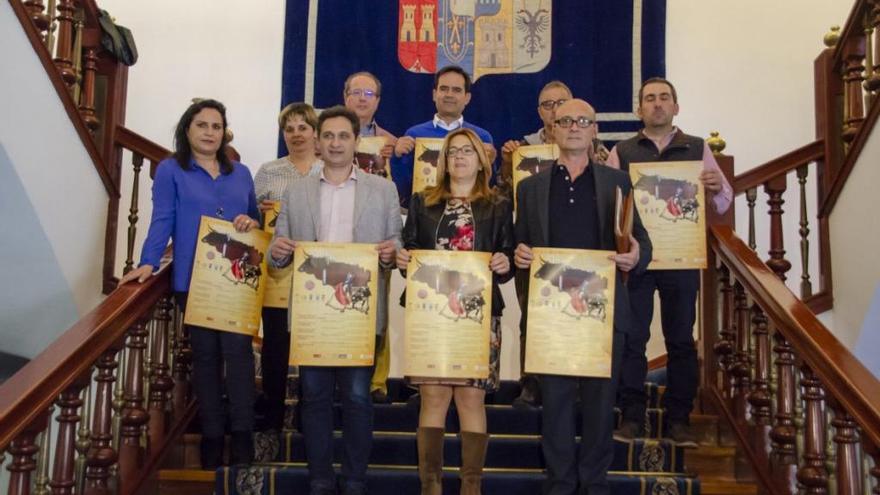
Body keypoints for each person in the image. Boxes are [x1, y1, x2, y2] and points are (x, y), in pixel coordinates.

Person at [514, 99, 651, 495]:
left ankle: (594, 485)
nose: (573, 127)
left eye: (582, 121)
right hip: (552, 313)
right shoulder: (530, 187)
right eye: (565, 121)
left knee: (598, 406)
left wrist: (636, 253)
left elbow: (641, 239)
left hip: (603, 312)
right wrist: (519, 254)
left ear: (594, 131)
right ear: (553, 129)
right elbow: (520, 245)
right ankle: (558, 484)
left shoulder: (618, 182)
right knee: (554, 406)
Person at [119, 99, 261, 469]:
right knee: (206, 360)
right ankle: (213, 437)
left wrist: (250, 221)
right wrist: (148, 262)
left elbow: (256, 220)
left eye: (216, 126)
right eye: (202, 125)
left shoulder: (241, 173)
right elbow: (162, 218)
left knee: (240, 358)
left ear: (223, 132)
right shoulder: (171, 170)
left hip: (237, 280)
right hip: (193, 280)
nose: (209, 132)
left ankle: (243, 435)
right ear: (188, 130)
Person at [269, 105, 402, 495]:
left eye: (344, 136)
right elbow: (278, 253)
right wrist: (277, 250)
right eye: (328, 136)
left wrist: (391, 252)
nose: (335, 143)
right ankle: (321, 479)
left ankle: (356, 479)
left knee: (359, 398)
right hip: (314, 313)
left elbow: (396, 242)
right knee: (314, 398)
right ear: (317, 141)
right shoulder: (297, 191)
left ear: (356, 142)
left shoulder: (383, 190)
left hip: (358, 312)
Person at [607, 77, 732, 447]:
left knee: (680, 340)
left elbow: (725, 201)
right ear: (639, 109)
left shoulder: (697, 148)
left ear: (676, 107)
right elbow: (613, 205)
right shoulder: (622, 151)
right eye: (650, 99)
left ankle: (679, 421)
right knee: (633, 339)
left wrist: (714, 188)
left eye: (664, 98)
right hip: (638, 261)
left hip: (681, 258)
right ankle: (631, 417)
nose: (657, 104)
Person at [396, 127, 514, 495]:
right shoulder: (422, 202)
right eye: (452, 152)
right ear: (443, 162)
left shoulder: (498, 205)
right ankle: (430, 485)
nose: (459, 157)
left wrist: (502, 260)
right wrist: (403, 259)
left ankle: (470, 486)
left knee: (470, 398)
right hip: (431, 313)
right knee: (433, 396)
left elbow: (508, 258)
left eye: (467, 151)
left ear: (482, 160)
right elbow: (411, 254)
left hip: (477, 316)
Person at [253, 102, 323, 442]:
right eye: (289, 128)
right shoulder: (269, 171)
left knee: (313, 346)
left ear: (314, 132)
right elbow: (252, 220)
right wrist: (256, 215)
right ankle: (272, 415)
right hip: (278, 273)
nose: (296, 134)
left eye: (303, 127)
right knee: (276, 345)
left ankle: (311, 417)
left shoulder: (328, 170)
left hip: (316, 274)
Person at [343, 71, 397, 403]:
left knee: (378, 309)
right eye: (356, 92)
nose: (362, 98)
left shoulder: (393, 142)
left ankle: (377, 380)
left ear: (377, 101)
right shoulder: (327, 136)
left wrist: (402, 158)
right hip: (336, 232)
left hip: (375, 235)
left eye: (369, 93)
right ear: (345, 96)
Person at [390, 65, 495, 209]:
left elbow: (489, 187)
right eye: (444, 89)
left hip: (470, 216)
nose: (449, 94)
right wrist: (397, 156)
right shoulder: (414, 135)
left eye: (457, 90)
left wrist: (491, 163)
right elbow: (402, 187)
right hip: (425, 215)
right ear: (434, 94)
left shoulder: (482, 137)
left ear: (467, 98)